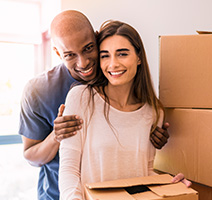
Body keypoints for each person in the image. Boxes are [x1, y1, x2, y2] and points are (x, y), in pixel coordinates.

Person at [18, 10, 169, 200]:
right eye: (70, 55)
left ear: (96, 38)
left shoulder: (142, 100)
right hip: (58, 193)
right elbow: (33, 156)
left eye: (89, 48)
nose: (83, 62)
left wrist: (156, 138)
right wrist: (56, 137)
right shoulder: (41, 91)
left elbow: (142, 167)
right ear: (58, 53)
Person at [59, 20, 191, 199]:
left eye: (122, 54)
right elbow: (69, 169)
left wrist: (170, 184)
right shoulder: (81, 98)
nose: (113, 64)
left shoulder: (153, 111)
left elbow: (144, 173)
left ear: (138, 57)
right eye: (105, 56)